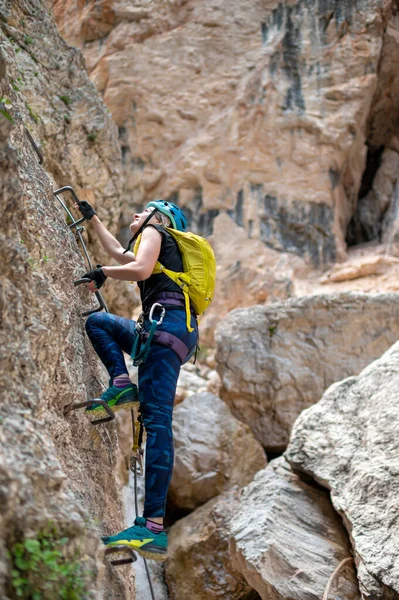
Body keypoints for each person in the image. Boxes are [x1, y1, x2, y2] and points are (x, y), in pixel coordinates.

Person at [75, 199, 198, 561]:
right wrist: (93, 219)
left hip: (163, 330)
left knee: (158, 422)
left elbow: (141, 269)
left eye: (144, 211)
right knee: (99, 322)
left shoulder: (156, 233)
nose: (136, 215)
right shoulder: (157, 242)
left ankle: (153, 528)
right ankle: (121, 383)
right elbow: (119, 252)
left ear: (159, 220)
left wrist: (102, 273)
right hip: (168, 334)